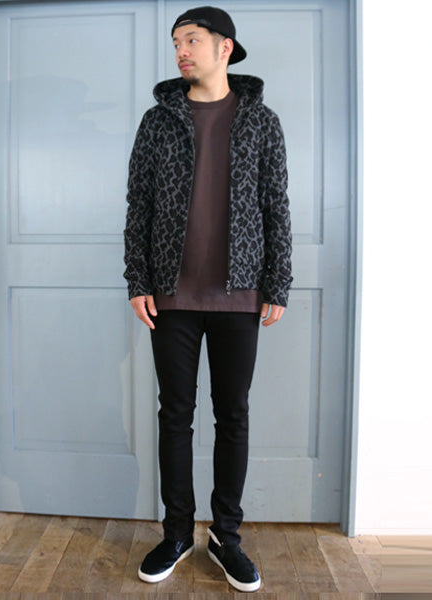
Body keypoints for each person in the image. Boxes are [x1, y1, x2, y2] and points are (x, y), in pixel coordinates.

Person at [123, 5, 292, 593]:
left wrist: (278, 281)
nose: (180, 51)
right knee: (175, 416)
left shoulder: (262, 122)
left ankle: (226, 537)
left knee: (233, 416)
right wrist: (138, 280)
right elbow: (138, 205)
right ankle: (176, 534)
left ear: (225, 47)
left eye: (191, 40)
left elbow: (276, 206)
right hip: (171, 295)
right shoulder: (157, 122)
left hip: (240, 294)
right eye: (176, 42)